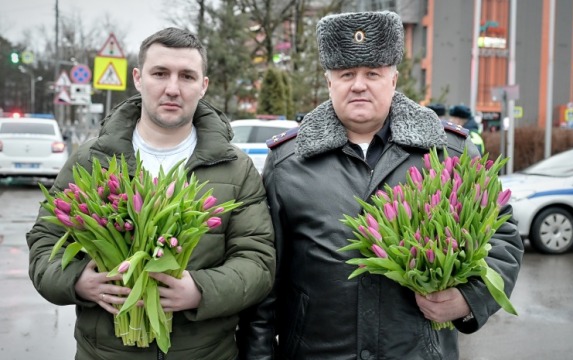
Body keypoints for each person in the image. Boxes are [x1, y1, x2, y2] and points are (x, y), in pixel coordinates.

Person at [236, 11, 523, 360]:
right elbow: (267, 282)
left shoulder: (450, 151)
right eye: (346, 74)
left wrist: (469, 299)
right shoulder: (288, 163)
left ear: (393, 79)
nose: (359, 84)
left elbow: (502, 237)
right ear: (330, 82)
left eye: (373, 73)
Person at [26, 27, 275, 360]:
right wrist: (77, 281)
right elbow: (45, 241)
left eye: (187, 76)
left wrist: (199, 291)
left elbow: (257, 261)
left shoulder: (235, 168)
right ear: (138, 78)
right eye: (160, 73)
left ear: (203, 86)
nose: (173, 88)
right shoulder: (91, 160)